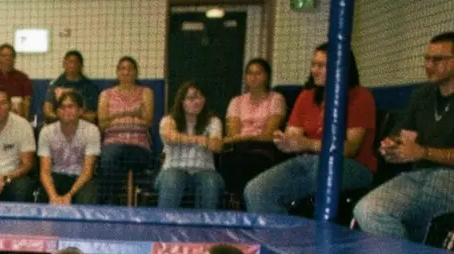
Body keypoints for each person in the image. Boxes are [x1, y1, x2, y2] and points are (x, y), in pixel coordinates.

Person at [244, 44, 376, 216]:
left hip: (354, 168)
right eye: (313, 64)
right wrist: (285, 142)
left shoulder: (360, 97)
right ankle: (281, 239)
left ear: (339, 67)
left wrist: (307, 144)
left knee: (316, 166)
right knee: (256, 190)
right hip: (310, 163)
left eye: (321, 66)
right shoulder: (307, 96)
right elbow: (293, 135)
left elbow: (350, 149)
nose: (314, 70)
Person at [354, 32, 454, 242]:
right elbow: (402, 132)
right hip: (421, 176)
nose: (428, 65)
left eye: (437, 60)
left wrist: (422, 152)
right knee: (366, 210)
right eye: (426, 59)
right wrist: (392, 146)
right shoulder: (422, 95)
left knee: (375, 211)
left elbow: (419, 151)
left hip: (449, 178)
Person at [219, 58, 288, 199]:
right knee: (229, 158)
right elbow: (233, 134)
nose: (253, 77)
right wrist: (242, 139)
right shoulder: (236, 102)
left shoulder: (276, 99)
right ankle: (235, 200)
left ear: (267, 76)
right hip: (239, 147)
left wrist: (248, 137)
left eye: (258, 73)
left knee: (249, 160)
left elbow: (270, 133)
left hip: (264, 147)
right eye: (250, 73)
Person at [156, 81, 224, 210]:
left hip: (204, 170)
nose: (196, 101)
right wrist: (200, 140)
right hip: (173, 168)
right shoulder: (169, 120)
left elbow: (216, 146)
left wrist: (209, 142)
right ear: (182, 102)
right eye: (191, 98)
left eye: (200, 97)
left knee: (211, 182)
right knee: (172, 180)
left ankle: (207, 227)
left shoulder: (214, 121)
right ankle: (165, 226)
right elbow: (170, 136)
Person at [97, 56, 155, 204]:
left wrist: (114, 117)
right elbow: (102, 124)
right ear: (117, 72)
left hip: (138, 146)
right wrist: (131, 113)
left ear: (136, 72)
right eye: (122, 68)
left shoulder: (146, 92)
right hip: (113, 144)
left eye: (130, 69)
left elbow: (148, 121)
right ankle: (110, 206)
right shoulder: (106, 94)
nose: (126, 72)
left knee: (117, 158)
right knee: (110, 158)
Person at [36, 89, 100, 204]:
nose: (66, 111)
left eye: (71, 107)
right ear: (57, 112)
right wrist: (53, 196)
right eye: (62, 107)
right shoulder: (46, 132)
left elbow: (87, 172)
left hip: (81, 178)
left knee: (89, 195)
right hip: (56, 176)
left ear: (80, 111)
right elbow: (44, 172)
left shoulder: (92, 131)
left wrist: (69, 195)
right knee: (45, 196)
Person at [42, 50, 98, 123]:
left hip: (82, 125)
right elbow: (48, 111)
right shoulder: (55, 85)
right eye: (69, 61)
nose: (72, 65)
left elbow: (93, 116)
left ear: (81, 65)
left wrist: (73, 115)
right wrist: (61, 118)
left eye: (75, 62)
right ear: (64, 64)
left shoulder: (90, 86)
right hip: (59, 124)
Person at [0, 44, 32, 120]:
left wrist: (23, 122)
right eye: (3, 56)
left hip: (17, 119)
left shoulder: (23, 78)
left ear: (14, 58)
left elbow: (27, 104)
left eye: (10, 56)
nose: (7, 58)